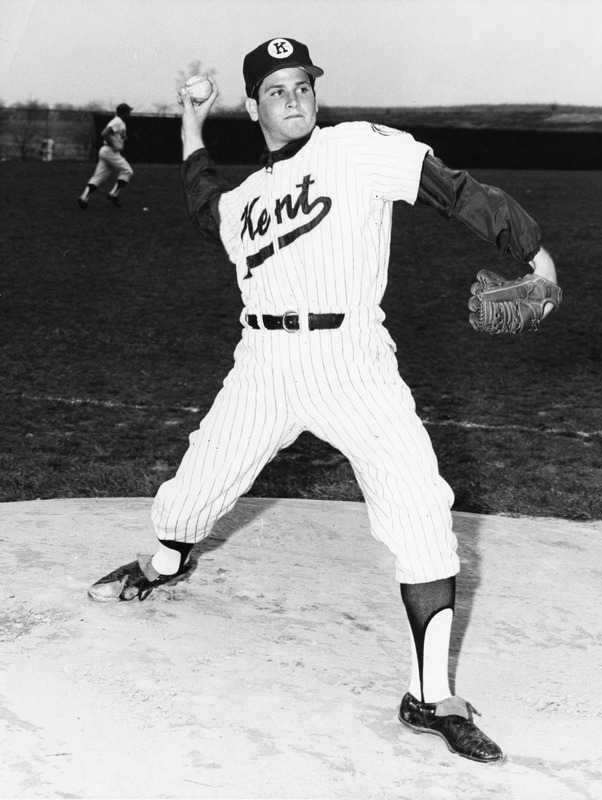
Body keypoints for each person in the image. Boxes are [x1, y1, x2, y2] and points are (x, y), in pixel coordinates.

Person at [88, 38, 557, 764]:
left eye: (302, 83)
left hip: (352, 361)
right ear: (253, 107)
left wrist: (532, 254)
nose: (294, 97)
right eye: (276, 89)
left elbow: (452, 189)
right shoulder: (241, 203)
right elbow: (200, 194)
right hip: (263, 365)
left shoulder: (356, 148)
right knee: (191, 494)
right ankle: (166, 563)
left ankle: (431, 698)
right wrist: (190, 120)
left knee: (420, 509)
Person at [77, 103, 134, 209]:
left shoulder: (119, 122)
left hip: (106, 151)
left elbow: (115, 136)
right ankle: (113, 194)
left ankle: (83, 198)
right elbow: (104, 133)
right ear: (124, 112)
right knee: (128, 171)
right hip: (110, 151)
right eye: (128, 111)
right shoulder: (118, 122)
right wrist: (114, 144)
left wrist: (122, 140)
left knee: (98, 178)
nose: (130, 113)